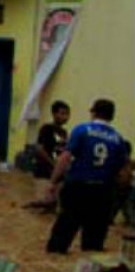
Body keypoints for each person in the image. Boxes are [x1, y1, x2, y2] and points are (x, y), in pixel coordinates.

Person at [46, 99, 132, 254]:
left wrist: (53, 181)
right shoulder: (118, 139)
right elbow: (125, 171)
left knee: (64, 231)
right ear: (111, 116)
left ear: (93, 113)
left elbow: (65, 157)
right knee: (93, 244)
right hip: (102, 191)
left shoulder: (81, 130)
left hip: (78, 186)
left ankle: (58, 251)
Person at [31, 101, 72, 206]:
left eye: (67, 114)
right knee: (43, 203)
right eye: (62, 113)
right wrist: (53, 163)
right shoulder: (46, 129)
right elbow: (39, 148)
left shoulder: (64, 133)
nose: (65, 117)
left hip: (58, 175)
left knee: (56, 204)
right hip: (44, 172)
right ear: (54, 114)